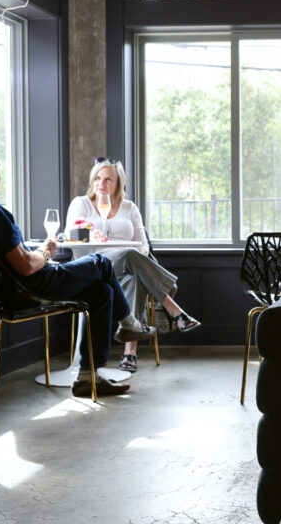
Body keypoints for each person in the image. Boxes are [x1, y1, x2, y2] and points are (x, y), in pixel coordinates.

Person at [0, 139, 157, 397]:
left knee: (101, 291)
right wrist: (45, 250)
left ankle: (89, 377)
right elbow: (28, 266)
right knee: (101, 263)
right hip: (26, 289)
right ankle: (129, 323)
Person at [65, 158, 201, 373]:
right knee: (130, 256)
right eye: (98, 178)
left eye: (108, 179)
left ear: (119, 183)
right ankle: (172, 308)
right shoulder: (81, 203)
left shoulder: (129, 207)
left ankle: (130, 351)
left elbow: (143, 246)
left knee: (134, 273)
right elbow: (71, 232)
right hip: (92, 267)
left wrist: (135, 254)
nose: (102, 183)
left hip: (126, 268)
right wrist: (91, 232)